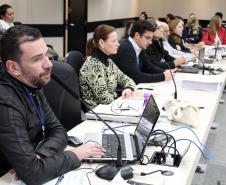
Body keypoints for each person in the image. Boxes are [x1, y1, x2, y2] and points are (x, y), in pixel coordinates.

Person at [0, 25, 105, 185]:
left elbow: (58, 131)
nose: (49, 64)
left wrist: (41, 155)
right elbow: (33, 174)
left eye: (46, 55)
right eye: (37, 59)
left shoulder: (31, 83)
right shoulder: (5, 101)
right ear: (14, 68)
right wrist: (76, 155)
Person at [80, 24, 136, 107]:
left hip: (111, 107)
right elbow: (104, 99)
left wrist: (128, 88)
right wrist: (124, 104)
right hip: (98, 112)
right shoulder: (92, 65)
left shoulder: (108, 61)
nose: (118, 44)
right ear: (102, 43)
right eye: (114, 41)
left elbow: (127, 80)